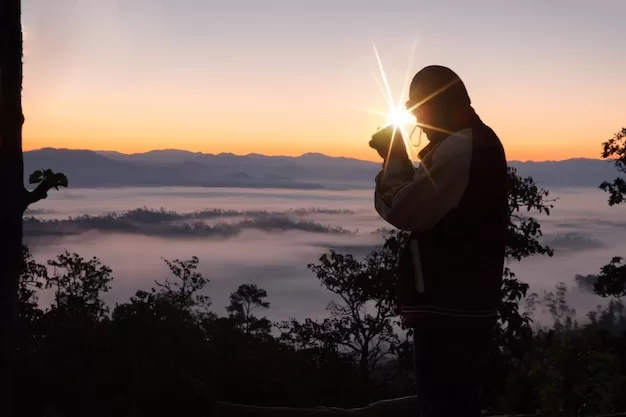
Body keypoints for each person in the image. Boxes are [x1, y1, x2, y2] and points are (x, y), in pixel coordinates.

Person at [370, 65, 509, 417]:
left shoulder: (462, 148)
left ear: (436, 105)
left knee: (444, 406)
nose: (415, 116)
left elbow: (406, 209)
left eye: (418, 107)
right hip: (463, 305)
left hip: (451, 308)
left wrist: (394, 157)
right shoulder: (470, 142)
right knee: (455, 402)